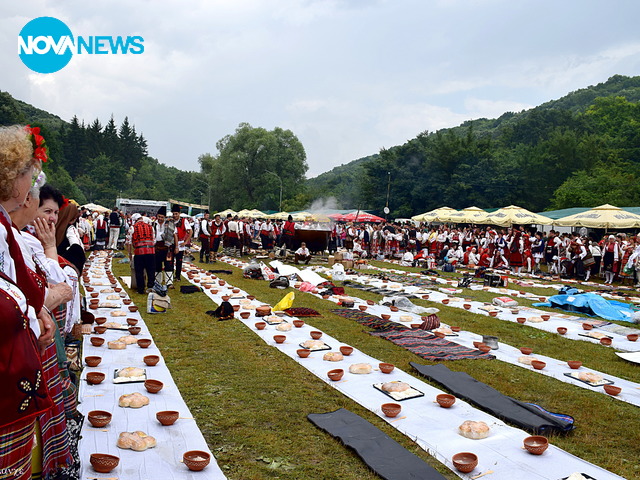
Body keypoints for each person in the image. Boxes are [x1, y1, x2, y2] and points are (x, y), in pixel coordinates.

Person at [131, 213, 156, 294]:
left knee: (139, 271)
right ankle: (150, 287)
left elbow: (129, 241)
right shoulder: (150, 227)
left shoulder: (133, 227)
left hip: (139, 252)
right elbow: (154, 240)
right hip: (151, 251)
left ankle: (141, 289)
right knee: (151, 270)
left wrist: (130, 253)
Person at [171, 205, 191, 281]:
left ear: (179, 213)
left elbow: (190, 231)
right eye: (174, 214)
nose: (175, 215)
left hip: (180, 243)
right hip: (171, 242)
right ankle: (171, 275)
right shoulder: (171, 221)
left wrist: (186, 242)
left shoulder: (184, 221)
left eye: (176, 214)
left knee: (179, 260)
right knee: (171, 260)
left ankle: (178, 276)